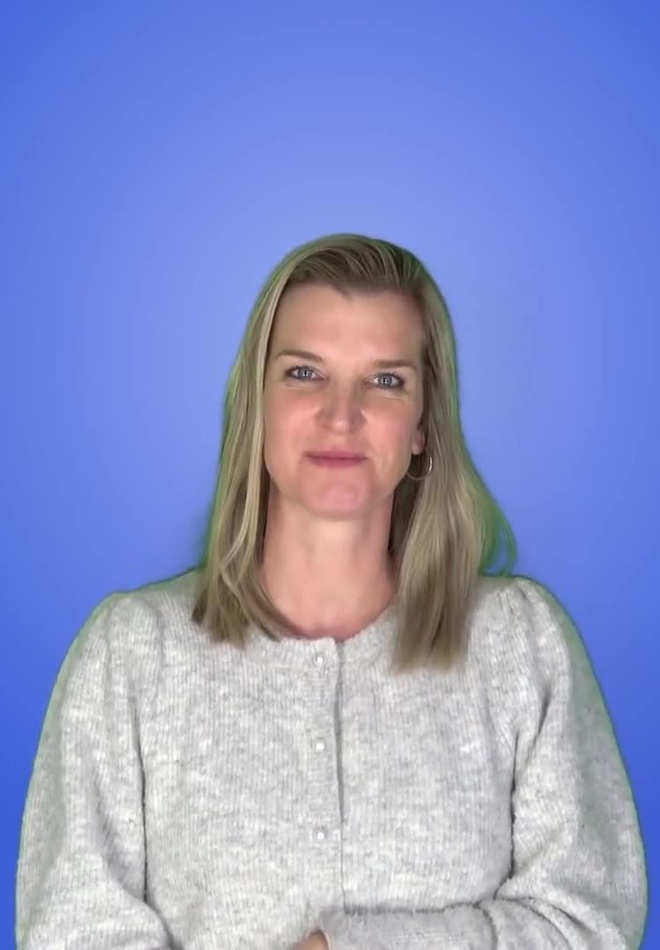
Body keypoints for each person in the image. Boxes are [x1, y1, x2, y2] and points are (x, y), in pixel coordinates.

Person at [16, 233, 647, 949]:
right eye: (304, 373)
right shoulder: (131, 657)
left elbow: (588, 922)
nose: (341, 416)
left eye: (386, 382)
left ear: (424, 426)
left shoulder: (521, 647)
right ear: (256, 406)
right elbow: (73, 931)